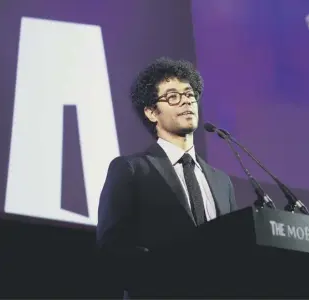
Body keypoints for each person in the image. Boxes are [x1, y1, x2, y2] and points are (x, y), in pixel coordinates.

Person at [96, 57, 238, 298]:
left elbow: (235, 252)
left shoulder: (222, 182)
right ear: (151, 112)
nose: (186, 101)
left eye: (189, 94)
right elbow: (112, 248)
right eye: (173, 96)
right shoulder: (131, 170)